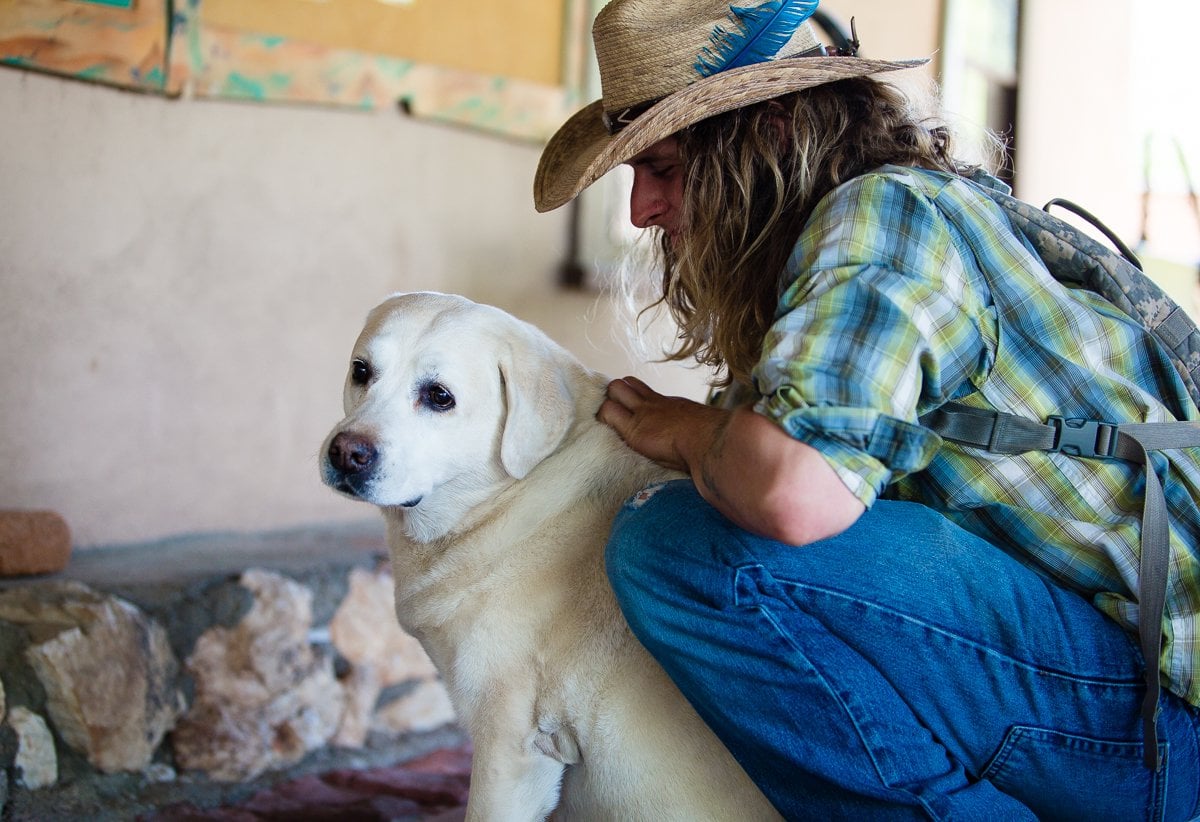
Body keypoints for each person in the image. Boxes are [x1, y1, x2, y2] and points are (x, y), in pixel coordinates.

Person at [533, 1, 1200, 819]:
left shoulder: (885, 214)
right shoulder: (863, 249)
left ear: (772, 133)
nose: (640, 210)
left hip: (1166, 730)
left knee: (681, 549)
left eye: (664, 168)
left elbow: (792, 492)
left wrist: (689, 432)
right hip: (1131, 708)